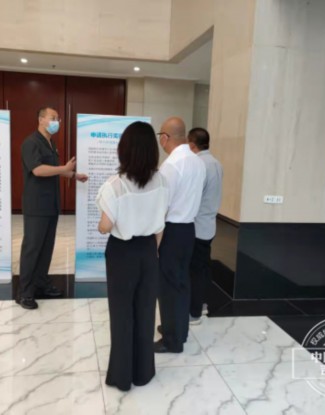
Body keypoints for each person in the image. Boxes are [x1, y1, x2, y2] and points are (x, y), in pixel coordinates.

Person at [96, 121, 169, 391]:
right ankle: (143, 372)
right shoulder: (162, 182)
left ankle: (122, 375)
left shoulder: (115, 185)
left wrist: (102, 225)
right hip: (149, 250)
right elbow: (160, 226)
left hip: (122, 253)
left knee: (122, 312)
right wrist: (153, 252)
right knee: (146, 311)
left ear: (124, 150)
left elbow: (105, 226)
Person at [18, 106, 88, 310]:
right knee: (32, 249)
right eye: (53, 117)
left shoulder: (50, 143)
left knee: (46, 248)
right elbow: (38, 170)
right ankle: (24, 293)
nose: (57, 121)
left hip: (50, 205)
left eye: (58, 118)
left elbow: (54, 170)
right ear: (41, 119)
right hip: (36, 206)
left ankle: (41, 284)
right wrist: (64, 168)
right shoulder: (31, 143)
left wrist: (73, 175)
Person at [155, 117, 206, 354]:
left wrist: (155, 241)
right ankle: (178, 329)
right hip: (188, 230)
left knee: (168, 285)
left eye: (160, 137)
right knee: (182, 282)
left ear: (165, 137)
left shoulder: (171, 165)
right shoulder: (197, 162)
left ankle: (172, 340)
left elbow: (162, 207)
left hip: (172, 231)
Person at [187, 127, 223, 323]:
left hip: (197, 226)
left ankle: (194, 312)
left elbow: (193, 197)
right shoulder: (216, 163)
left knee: (194, 270)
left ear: (192, 145)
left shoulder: (198, 165)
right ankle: (201, 304)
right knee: (203, 268)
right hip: (209, 224)